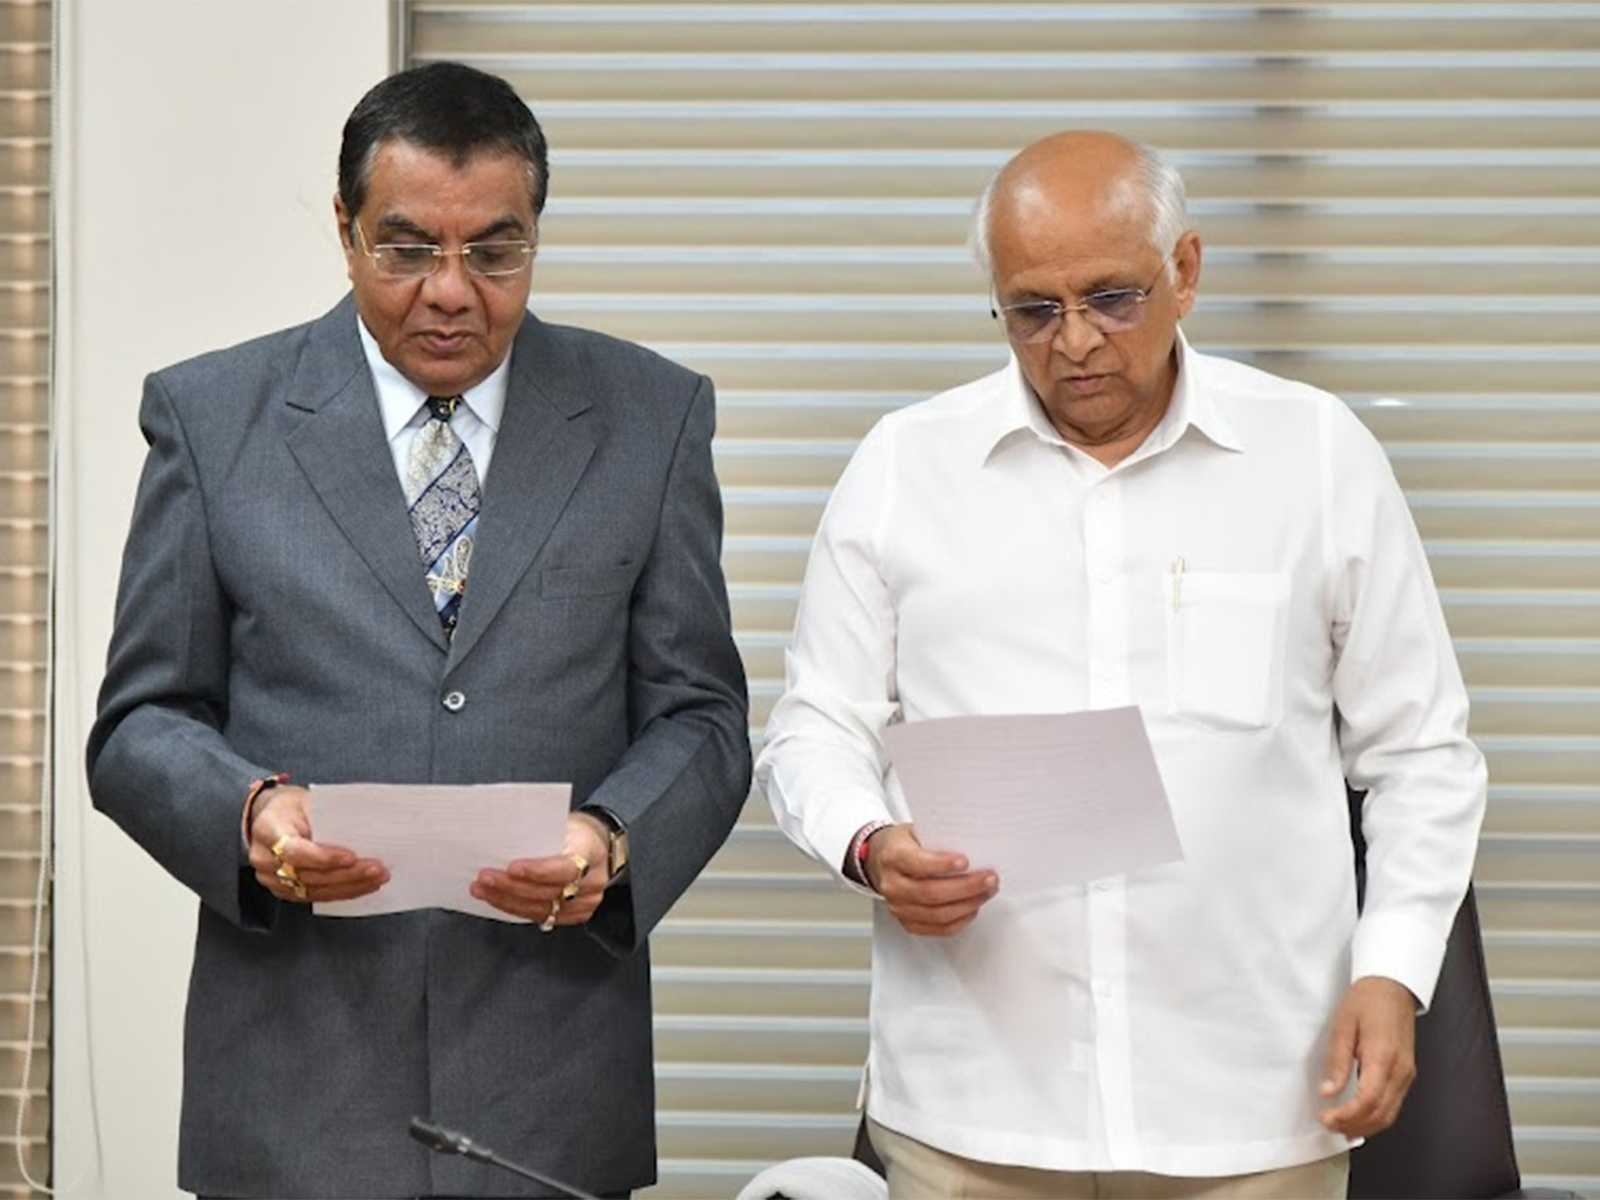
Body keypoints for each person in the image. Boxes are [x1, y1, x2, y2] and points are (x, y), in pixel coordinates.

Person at [757, 131, 1485, 1200]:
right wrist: (866, 844)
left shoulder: (1315, 457)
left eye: (1112, 297)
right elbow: (815, 724)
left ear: (1184, 271)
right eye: (1033, 310)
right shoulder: (904, 467)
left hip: (1252, 1109)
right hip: (972, 1116)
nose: (1075, 341)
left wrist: (1393, 973)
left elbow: (1420, 751)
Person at [87, 62, 751, 1199]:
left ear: (536, 233)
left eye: (494, 251)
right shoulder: (210, 418)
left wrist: (614, 837)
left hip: (549, 1082)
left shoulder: (651, 416)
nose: (451, 290)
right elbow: (140, 722)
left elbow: (702, 715)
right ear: (344, 231)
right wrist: (247, 814)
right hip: (294, 1078)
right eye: (407, 249)